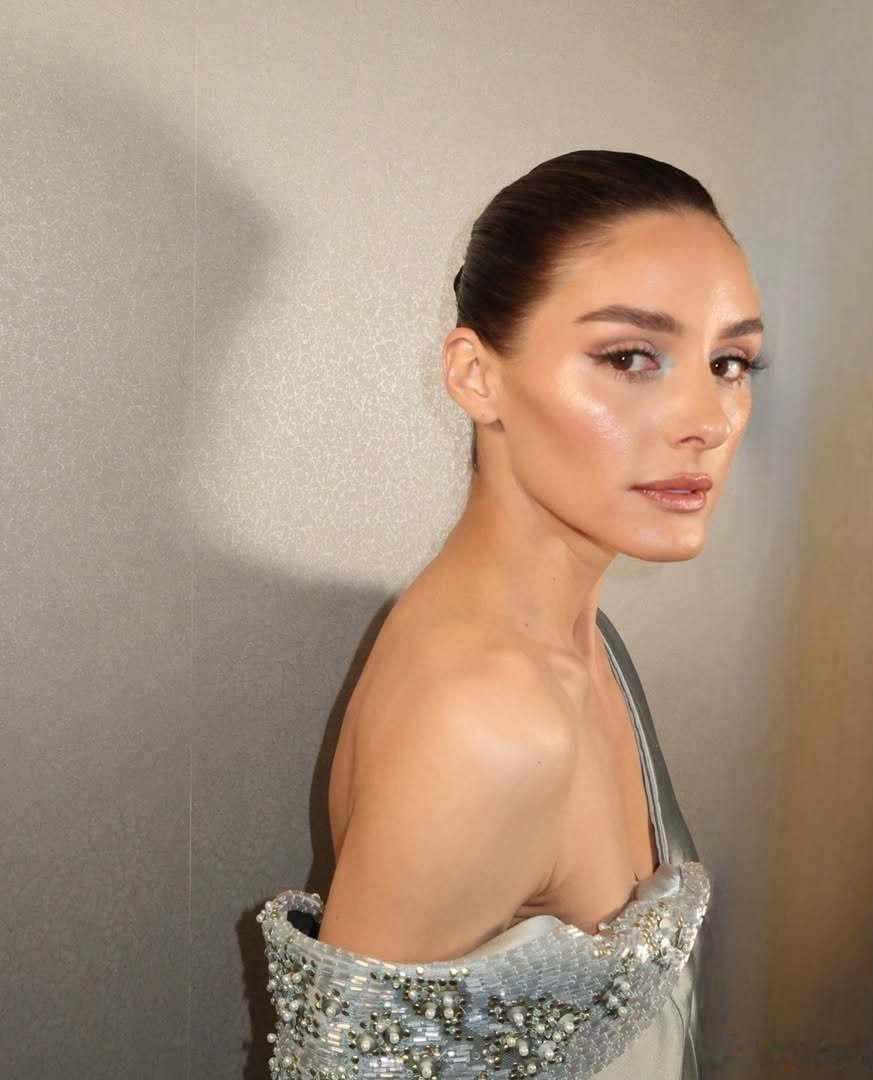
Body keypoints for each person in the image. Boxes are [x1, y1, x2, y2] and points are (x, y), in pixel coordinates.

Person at [257, 149, 768, 1079]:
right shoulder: (490, 720)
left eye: (730, 362)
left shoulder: (588, 645)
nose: (708, 417)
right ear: (475, 375)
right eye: (630, 358)